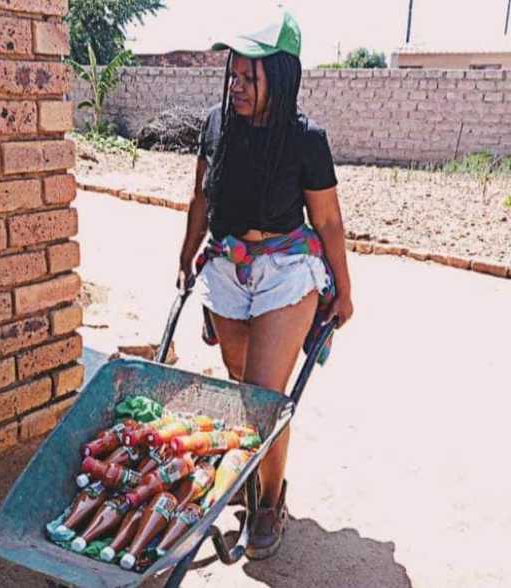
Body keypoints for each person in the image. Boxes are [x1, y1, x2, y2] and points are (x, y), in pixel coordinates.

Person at [176, 12, 354, 559]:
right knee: (237, 382)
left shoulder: (306, 141)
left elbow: (327, 222)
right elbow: (203, 198)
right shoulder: (216, 125)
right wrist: (186, 255)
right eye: (234, 74)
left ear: (281, 76)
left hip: (285, 271)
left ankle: (268, 502)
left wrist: (344, 290)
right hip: (227, 267)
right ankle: (250, 475)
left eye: (251, 77)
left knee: (262, 398)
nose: (238, 86)